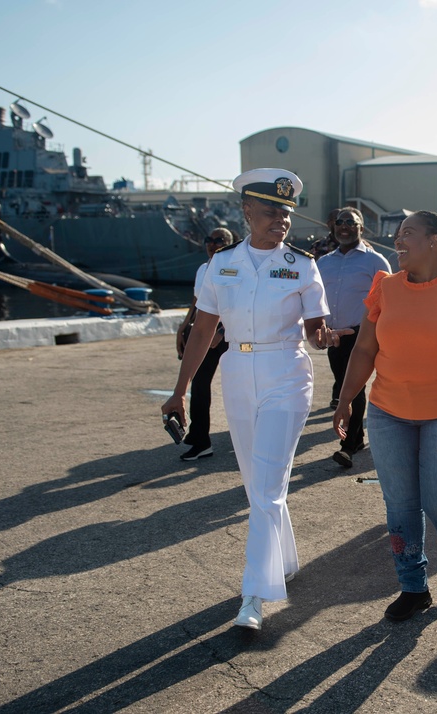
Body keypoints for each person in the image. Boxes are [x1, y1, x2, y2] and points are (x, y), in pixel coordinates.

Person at [161, 168, 350, 631]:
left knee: (264, 486)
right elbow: (204, 330)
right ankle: (284, 558)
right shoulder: (220, 264)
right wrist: (180, 390)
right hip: (237, 372)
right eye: (271, 211)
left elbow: (314, 330)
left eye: (286, 213)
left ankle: (254, 594)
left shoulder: (304, 265)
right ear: (247, 211)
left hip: (286, 371)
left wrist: (324, 338)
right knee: (259, 484)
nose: (281, 220)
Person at [332, 210, 437, 622]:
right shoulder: (385, 288)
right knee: (401, 506)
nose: (398, 240)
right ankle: (413, 586)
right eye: (397, 234)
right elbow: (365, 351)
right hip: (388, 414)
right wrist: (345, 398)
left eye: (408, 233)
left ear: (434, 242)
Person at [317, 206, 391, 468]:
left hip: (363, 334)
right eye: (340, 222)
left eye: (351, 222)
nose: (344, 226)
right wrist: (321, 328)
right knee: (344, 386)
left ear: (361, 228)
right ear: (333, 227)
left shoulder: (376, 261)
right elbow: (315, 301)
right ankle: (357, 437)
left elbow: (389, 301)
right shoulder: (323, 263)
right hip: (334, 336)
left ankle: (348, 446)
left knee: (355, 387)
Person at [174, 227, 234, 461]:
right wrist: (183, 326)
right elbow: (198, 301)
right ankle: (200, 440)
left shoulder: (233, 268)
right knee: (199, 386)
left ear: (230, 243)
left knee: (243, 387)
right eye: (209, 239)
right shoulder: (203, 268)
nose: (213, 243)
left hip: (227, 336)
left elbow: (239, 304)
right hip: (204, 334)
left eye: (220, 240)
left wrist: (221, 330)